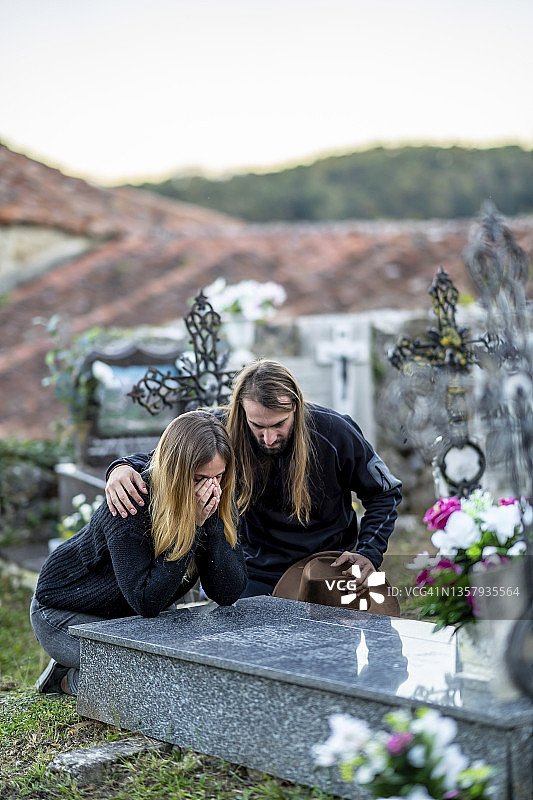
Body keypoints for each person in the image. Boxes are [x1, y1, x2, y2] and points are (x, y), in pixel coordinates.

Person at [105, 359, 402, 599]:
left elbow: (384, 493)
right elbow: (174, 456)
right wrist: (122, 467)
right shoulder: (222, 429)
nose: (269, 437)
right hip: (253, 574)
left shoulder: (335, 432)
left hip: (329, 567)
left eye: (279, 424)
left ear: (296, 407)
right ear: (240, 410)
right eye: (257, 425)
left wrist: (368, 552)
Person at [31, 410, 247, 696]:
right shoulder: (131, 502)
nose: (210, 487)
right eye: (198, 478)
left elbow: (227, 592)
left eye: (218, 476)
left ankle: (88, 668)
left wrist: (212, 523)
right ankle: (65, 679)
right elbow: (146, 600)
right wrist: (192, 526)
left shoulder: (214, 495)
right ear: (175, 474)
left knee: (182, 674)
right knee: (145, 682)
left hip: (129, 616)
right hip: (67, 611)